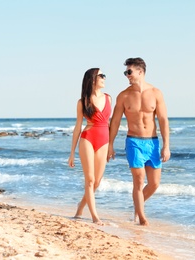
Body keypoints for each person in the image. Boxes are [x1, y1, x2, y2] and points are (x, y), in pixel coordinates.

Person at [107, 57, 170, 226]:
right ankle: (142, 218)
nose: (127, 75)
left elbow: (163, 120)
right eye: (125, 72)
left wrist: (166, 146)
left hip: (152, 142)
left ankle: (137, 206)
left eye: (129, 72)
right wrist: (110, 144)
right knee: (139, 179)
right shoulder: (124, 96)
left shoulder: (156, 93)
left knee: (155, 183)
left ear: (140, 72)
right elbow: (115, 122)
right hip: (133, 141)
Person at [68, 68, 111, 225]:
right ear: (92, 79)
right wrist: (72, 153)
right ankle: (95, 217)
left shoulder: (109, 99)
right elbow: (78, 127)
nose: (104, 78)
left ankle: (81, 206)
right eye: (101, 76)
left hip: (104, 140)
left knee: (97, 181)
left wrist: (111, 145)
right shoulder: (83, 101)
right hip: (88, 138)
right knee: (90, 180)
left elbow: (110, 124)